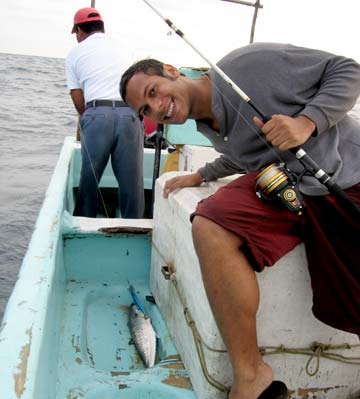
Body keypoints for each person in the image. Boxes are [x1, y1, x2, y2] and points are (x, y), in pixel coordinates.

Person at [119, 43, 360, 399]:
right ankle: (252, 377)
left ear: (171, 70)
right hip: (287, 188)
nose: (156, 107)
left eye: (152, 92)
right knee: (211, 222)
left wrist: (306, 123)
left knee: (350, 302)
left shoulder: (246, 65)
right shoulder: (206, 123)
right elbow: (244, 153)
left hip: (344, 180)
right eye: (145, 108)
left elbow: (348, 69)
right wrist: (201, 175)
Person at [66, 7, 144, 218]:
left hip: (96, 113)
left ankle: (84, 222)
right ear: (102, 27)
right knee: (132, 184)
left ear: (79, 30)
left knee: (88, 181)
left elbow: (77, 98)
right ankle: (133, 226)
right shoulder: (125, 46)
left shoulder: (74, 53)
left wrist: (90, 116)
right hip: (129, 113)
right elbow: (135, 82)